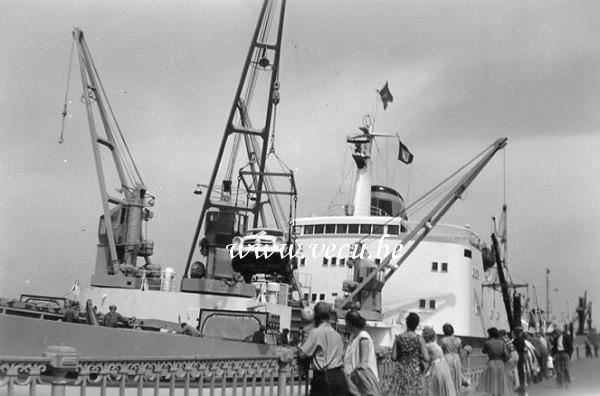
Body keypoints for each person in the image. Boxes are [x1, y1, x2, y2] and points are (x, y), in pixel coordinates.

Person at [297, 302, 349, 396]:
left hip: (323, 378)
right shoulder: (337, 335)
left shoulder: (316, 333)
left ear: (315, 317)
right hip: (339, 377)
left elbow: (302, 354)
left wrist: (300, 346)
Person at [390, 312, 429, 396]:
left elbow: (393, 357)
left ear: (406, 323)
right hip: (415, 371)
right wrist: (418, 355)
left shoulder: (398, 338)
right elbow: (427, 358)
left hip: (401, 371)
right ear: (416, 325)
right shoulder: (420, 339)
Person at [343, 310, 381, 396]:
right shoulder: (353, 337)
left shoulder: (363, 337)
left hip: (360, 383)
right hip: (352, 382)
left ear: (350, 323)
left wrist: (353, 375)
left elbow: (364, 362)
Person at [476, 327, 511, 396]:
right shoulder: (502, 343)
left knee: (493, 384)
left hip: (491, 363)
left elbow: (484, 351)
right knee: (500, 383)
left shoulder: (488, 343)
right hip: (500, 363)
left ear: (490, 334)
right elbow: (507, 355)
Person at [423, 326, 456, 396]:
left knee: (432, 387)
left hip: (436, 367)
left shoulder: (427, 346)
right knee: (443, 385)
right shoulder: (435, 345)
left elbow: (425, 358)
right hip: (443, 365)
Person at [439, 323, 462, 395]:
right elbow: (460, 352)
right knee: (456, 377)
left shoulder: (443, 340)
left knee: (448, 378)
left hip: (447, 358)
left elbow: (440, 352)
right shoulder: (458, 340)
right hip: (456, 358)